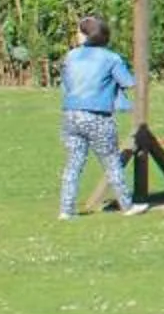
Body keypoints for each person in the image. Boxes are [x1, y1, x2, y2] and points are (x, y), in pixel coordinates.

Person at [56, 14, 142, 221]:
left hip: (71, 115)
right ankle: (127, 206)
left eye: (78, 31)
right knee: (112, 162)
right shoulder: (111, 58)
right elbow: (129, 83)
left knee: (74, 164)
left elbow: (66, 83)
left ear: (86, 35)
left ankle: (66, 210)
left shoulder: (71, 56)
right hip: (98, 117)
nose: (76, 35)